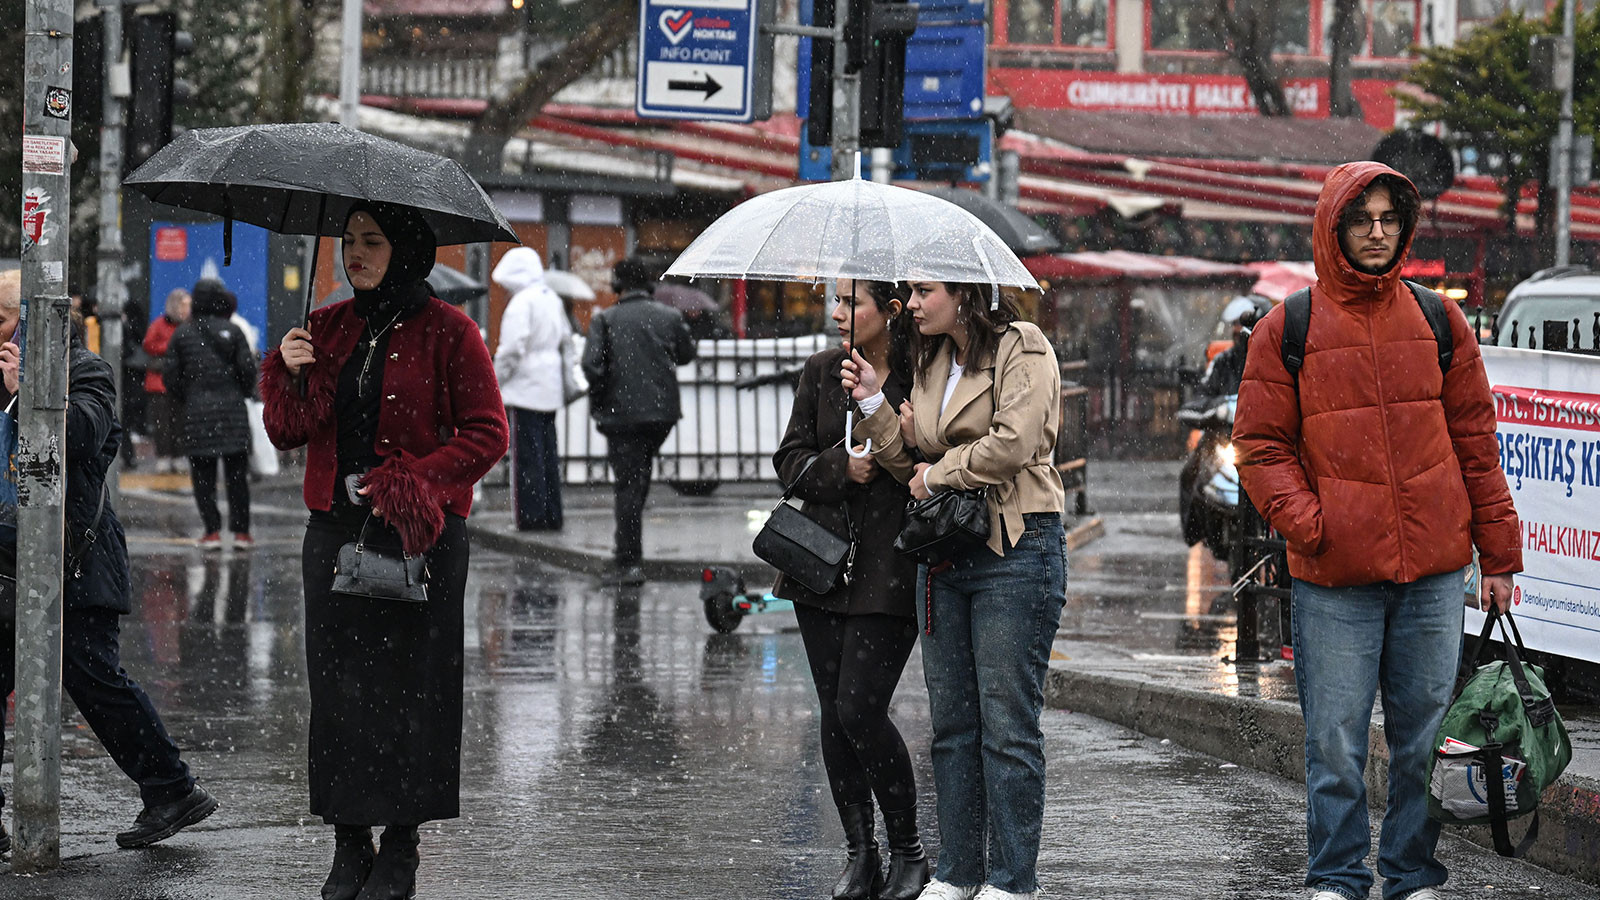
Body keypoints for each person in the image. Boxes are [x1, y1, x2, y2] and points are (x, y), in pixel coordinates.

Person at [1233, 162, 1521, 900]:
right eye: (1361, 220)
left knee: (1423, 739)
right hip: (1334, 579)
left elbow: (1477, 444)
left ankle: (1411, 874)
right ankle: (1336, 877)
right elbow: (1260, 448)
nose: (1377, 231)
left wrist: (1499, 555)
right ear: (1334, 228)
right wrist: (1313, 525)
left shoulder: (1439, 319)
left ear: (1405, 226)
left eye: (1390, 219)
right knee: (1334, 742)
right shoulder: (1287, 327)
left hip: (1432, 575)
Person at [262, 201, 507, 900]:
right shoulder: (325, 327)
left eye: (371, 241)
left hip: (420, 537)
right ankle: (349, 842)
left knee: (414, 694)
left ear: (406, 250)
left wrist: (412, 481)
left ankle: (401, 845)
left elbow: (488, 432)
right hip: (334, 535)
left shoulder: (451, 332)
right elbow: (288, 432)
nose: (355, 254)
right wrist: (289, 374)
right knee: (339, 695)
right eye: (348, 241)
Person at [843, 281, 1067, 900]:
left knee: (1007, 727)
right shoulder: (931, 358)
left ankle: (1013, 882)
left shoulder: (1023, 346)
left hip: (1015, 545)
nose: (912, 303)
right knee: (952, 727)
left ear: (965, 292)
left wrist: (937, 473)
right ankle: (959, 872)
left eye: (925, 290)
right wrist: (873, 404)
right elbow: (907, 466)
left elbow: (1011, 445)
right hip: (945, 552)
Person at [0, 270, 217, 856]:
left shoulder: (84, 370)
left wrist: (28, 392)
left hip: (76, 556)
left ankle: (172, 787)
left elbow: (77, 438)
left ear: (31, 321)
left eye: (1, 320)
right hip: (9, 558)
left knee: (92, 677)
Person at [773, 280, 928, 900]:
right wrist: (843, 467)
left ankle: (909, 851)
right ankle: (861, 854)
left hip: (890, 568)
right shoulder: (821, 372)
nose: (837, 313)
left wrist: (890, 438)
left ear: (890, 311)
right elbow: (789, 460)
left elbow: (932, 456)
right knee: (834, 714)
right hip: (820, 566)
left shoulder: (921, 372)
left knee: (860, 708)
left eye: (850, 302)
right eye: (835, 300)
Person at [581, 256, 696, 586]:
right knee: (637, 479)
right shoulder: (669, 316)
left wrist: (604, 394)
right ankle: (628, 555)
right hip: (660, 414)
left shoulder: (605, 320)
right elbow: (687, 355)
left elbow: (591, 366)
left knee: (628, 485)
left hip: (622, 416)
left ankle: (628, 561)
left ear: (618, 284)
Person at [166, 278, 257, 549]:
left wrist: (191, 396)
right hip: (233, 414)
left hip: (198, 415)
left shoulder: (182, 334)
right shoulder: (233, 330)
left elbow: (171, 377)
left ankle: (212, 531)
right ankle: (241, 533)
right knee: (237, 477)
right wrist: (237, 391)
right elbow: (248, 371)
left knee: (203, 477)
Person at [491, 246, 570, 531]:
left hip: (525, 388)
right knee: (548, 455)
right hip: (549, 387)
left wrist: (495, 381)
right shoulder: (551, 298)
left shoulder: (521, 303)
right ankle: (551, 514)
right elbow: (565, 339)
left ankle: (530, 517)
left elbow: (512, 349)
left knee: (526, 458)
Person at [143, 288, 190, 473]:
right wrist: (172, 346)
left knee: (179, 422)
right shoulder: (160, 324)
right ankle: (164, 456)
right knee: (162, 423)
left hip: (179, 383)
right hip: (159, 383)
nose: (186, 309)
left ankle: (178, 455)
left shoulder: (188, 325)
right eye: (184, 305)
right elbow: (148, 344)